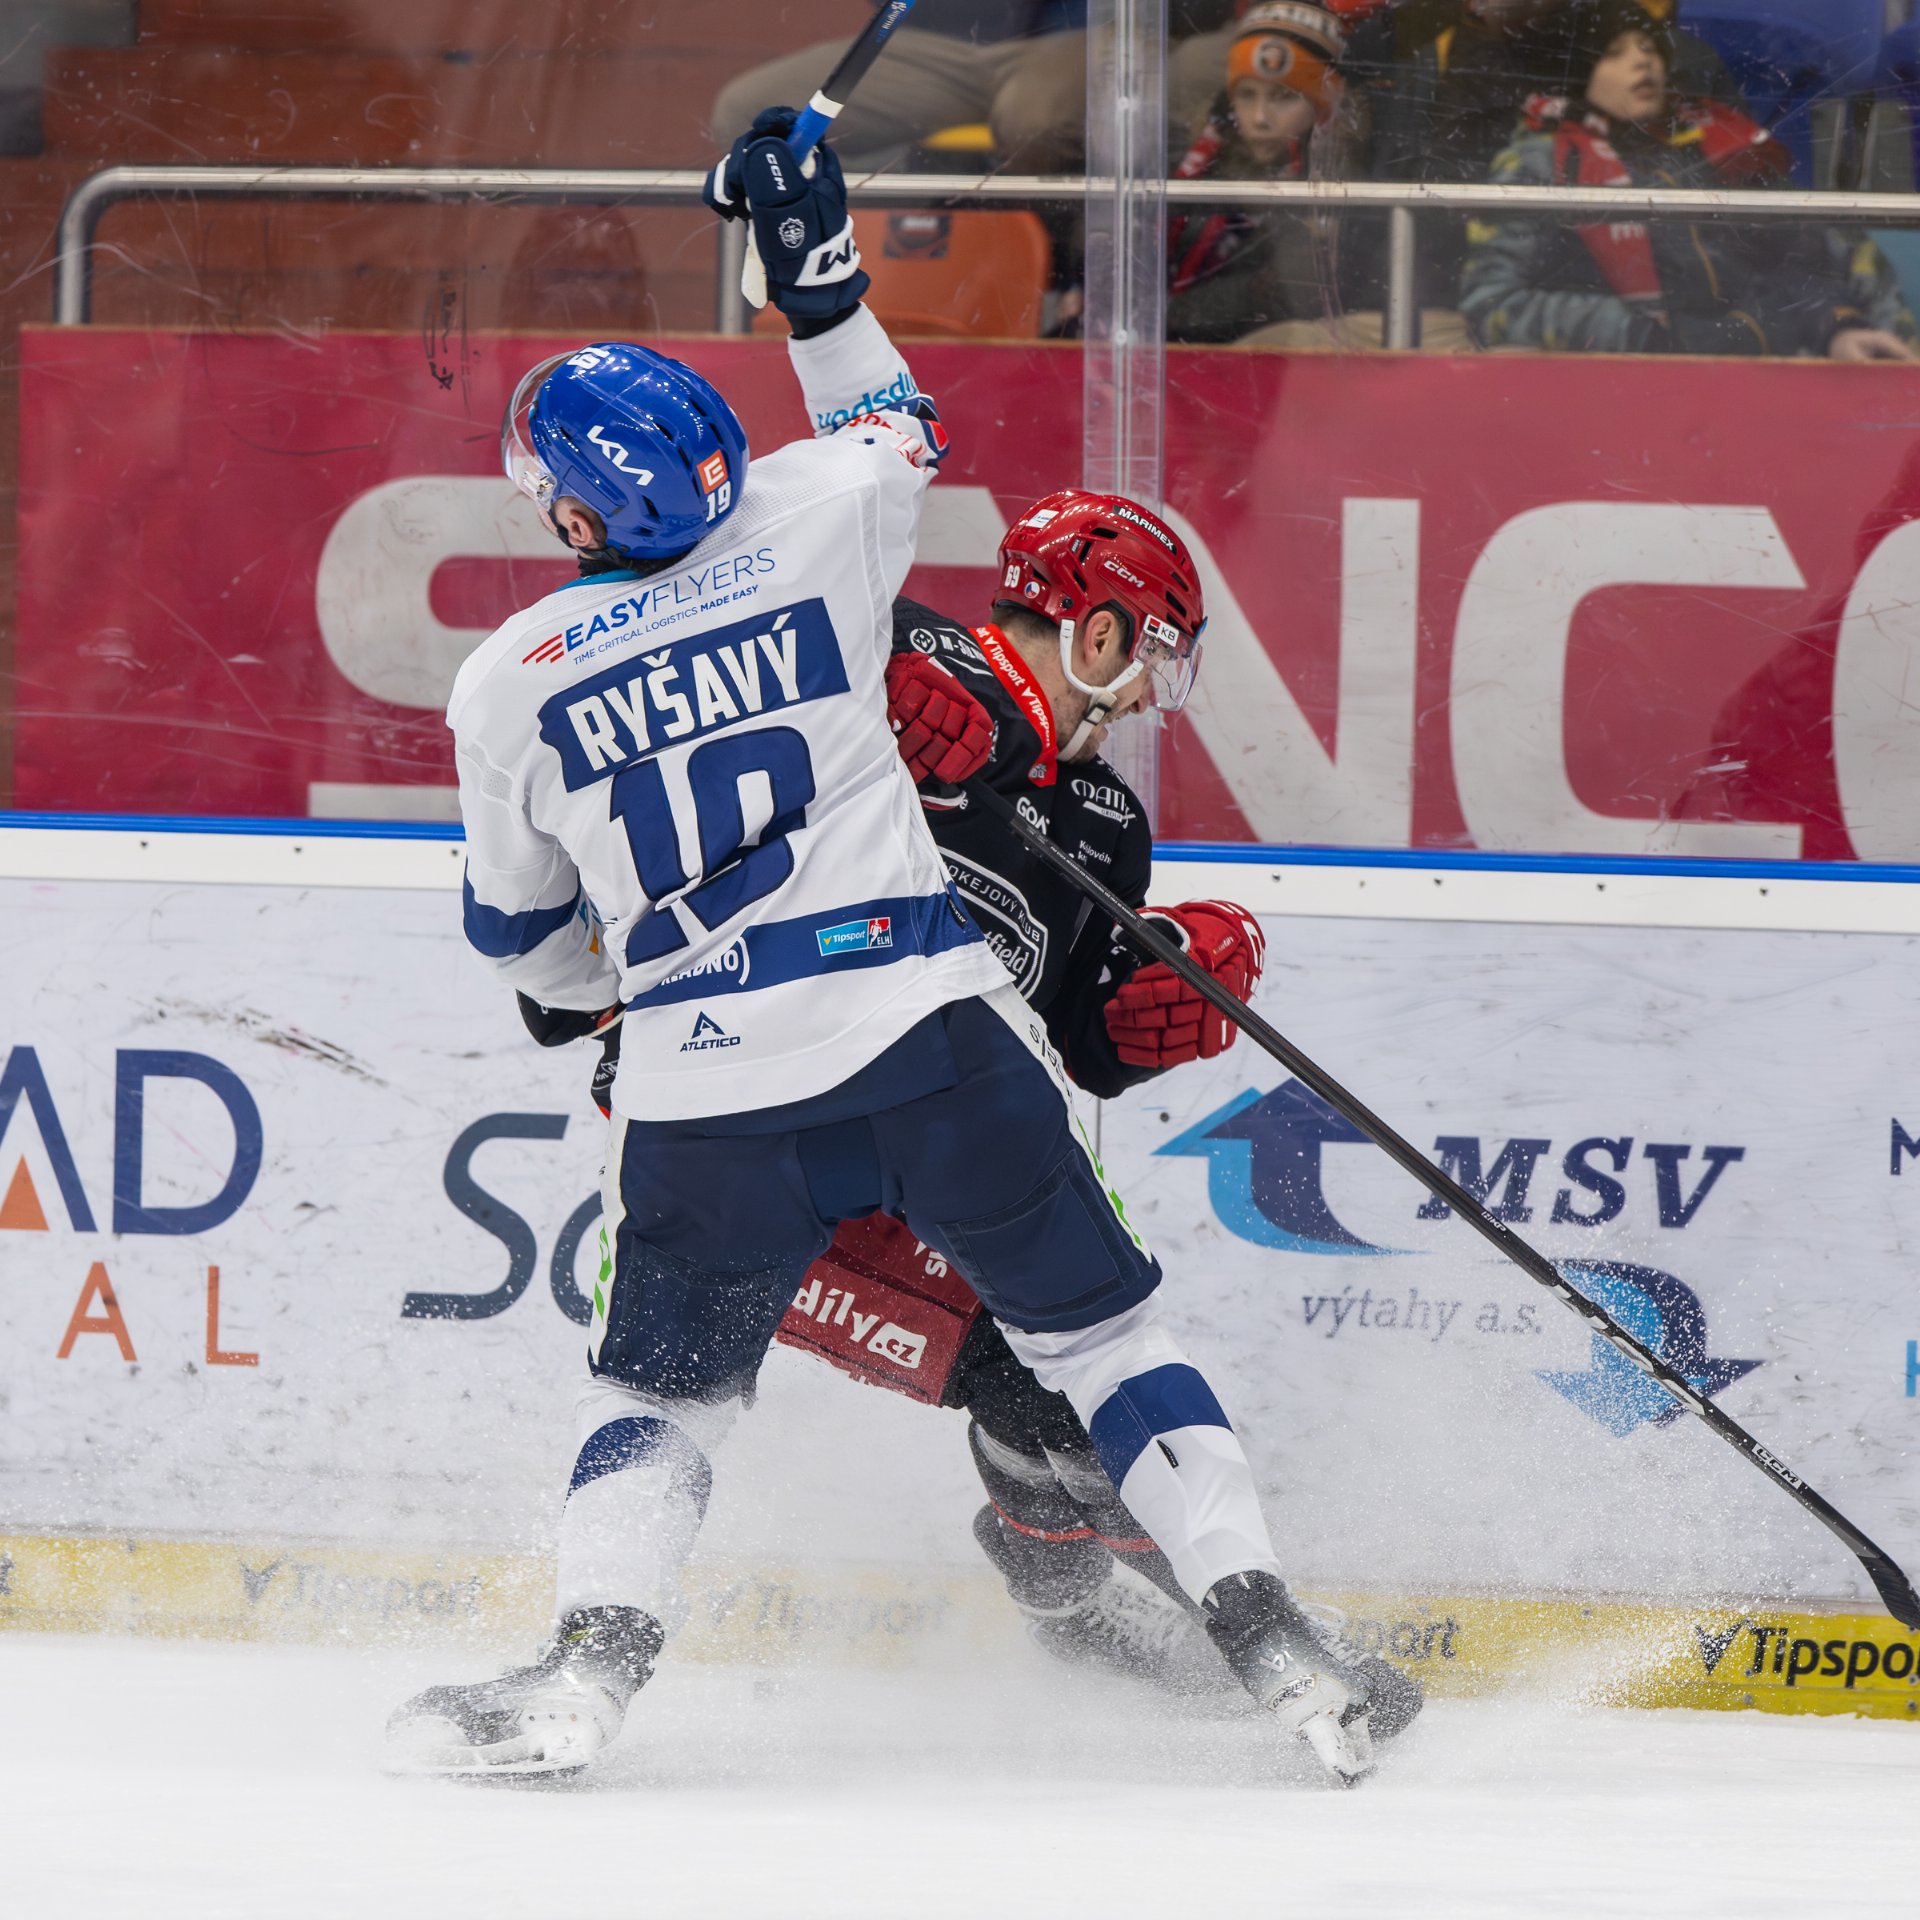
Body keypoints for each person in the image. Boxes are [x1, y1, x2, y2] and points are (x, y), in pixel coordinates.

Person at [387, 107, 1390, 1786]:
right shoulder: (830, 538)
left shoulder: (510, 680)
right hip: (919, 1029)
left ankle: (588, 1672)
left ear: (567, 516)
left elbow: (525, 943)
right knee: (1094, 1357)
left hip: (713, 1080)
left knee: (667, 1402)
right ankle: (1268, 1645)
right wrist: (814, 252)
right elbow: (883, 420)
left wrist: (1136, 1001)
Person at [1460, 1, 1920, 359]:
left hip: (1746, 363)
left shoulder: (1711, 140)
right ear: (1578, 74)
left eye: (1649, 49)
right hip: (1614, 375)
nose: (1643, 63)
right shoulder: (1542, 160)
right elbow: (1492, 302)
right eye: (1615, 54)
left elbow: (1800, 255)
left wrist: (1835, 329)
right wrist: (1640, 335)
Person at [712, 1, 1235, 174]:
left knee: (1035, 121)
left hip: (1078, 32)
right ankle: (831, 270)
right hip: (940, 40)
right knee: (753, 110)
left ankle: (1056, 284)